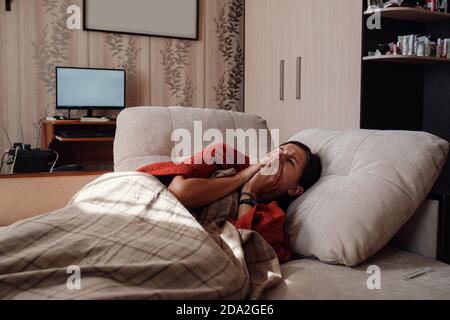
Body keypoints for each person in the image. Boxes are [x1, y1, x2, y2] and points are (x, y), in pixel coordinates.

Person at [167, 141, 322, 220]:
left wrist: (250, 191)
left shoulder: (273, 217)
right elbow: (178, 193)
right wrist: (241, 177)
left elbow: (248, 247)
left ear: (295, 189)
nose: (279, 156)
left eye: (290, 161)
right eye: (280, 149)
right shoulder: (227, 156)